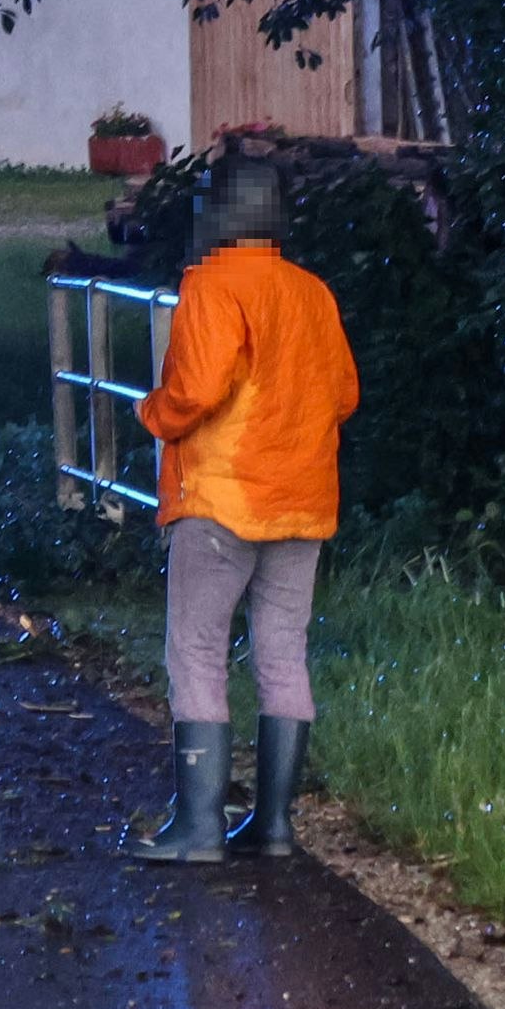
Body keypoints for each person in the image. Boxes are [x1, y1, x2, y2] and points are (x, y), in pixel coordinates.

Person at [127, 155, 358, 864]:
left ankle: (197, 829)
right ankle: (274, 825)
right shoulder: (311, 292)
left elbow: (196, 389)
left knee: (197, 650)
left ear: (218, 212)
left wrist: (154, 414)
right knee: (282, 653)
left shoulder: (212, 285)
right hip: (303, 502)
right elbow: (344, 395)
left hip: (224, 499)